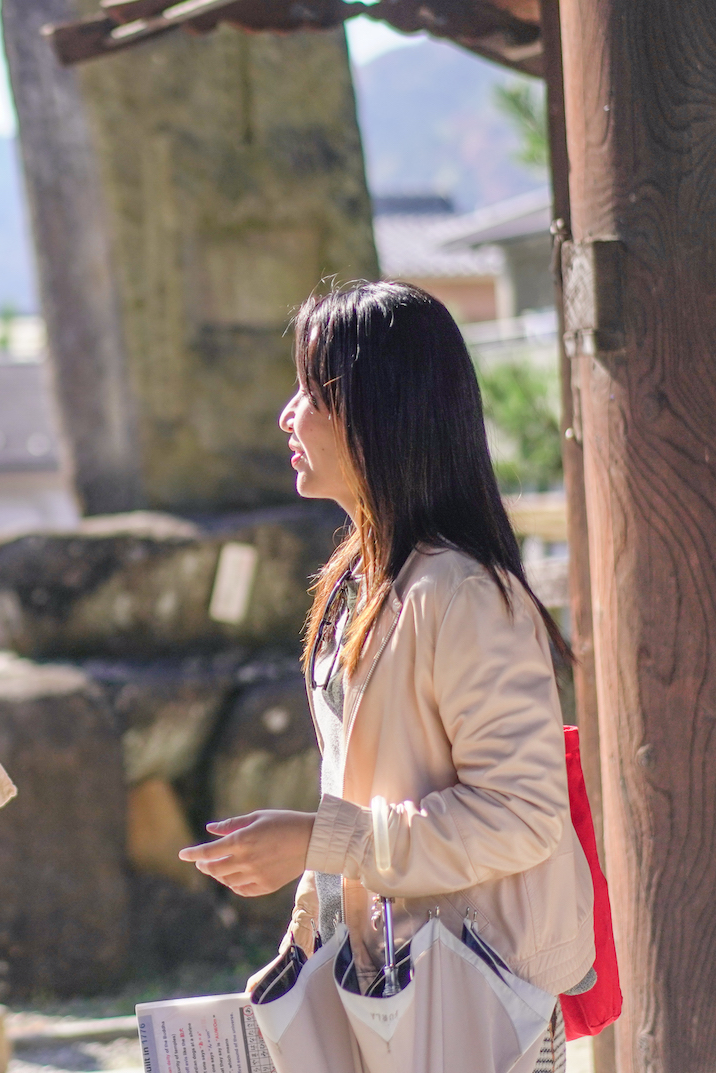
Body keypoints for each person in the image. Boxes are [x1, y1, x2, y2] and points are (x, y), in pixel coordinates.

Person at [181, 280, 593, 1064]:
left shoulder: (463, 593)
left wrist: (316, 840)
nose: (287, 415)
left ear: (380, 409)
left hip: (474, 998)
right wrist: (305, 929)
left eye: (311, 390)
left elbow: (521, 813)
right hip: (389, 988)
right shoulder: (361, 577)